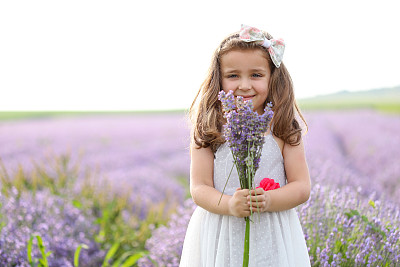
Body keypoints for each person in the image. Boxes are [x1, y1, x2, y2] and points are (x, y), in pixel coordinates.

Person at [180, 24, 311, 267]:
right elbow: (199, 188)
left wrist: (270, 200)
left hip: (271, 233)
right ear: (219, 79)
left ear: (273, 77)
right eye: (233, 75)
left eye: (256, 75)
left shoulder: (282, 126)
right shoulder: (210, 127)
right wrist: (229, 204)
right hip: (221, 231)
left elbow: (301, 187)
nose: (244, 85)